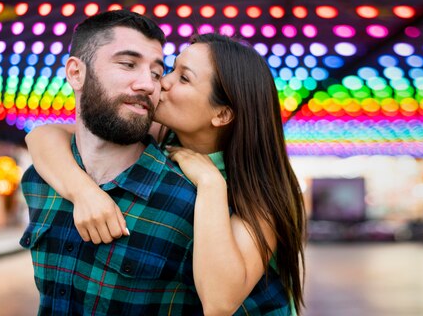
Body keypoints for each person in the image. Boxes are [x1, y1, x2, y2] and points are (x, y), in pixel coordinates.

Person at [26, 32, 307, 315]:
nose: (163, 82)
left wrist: (210, 184)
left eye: (184, 78)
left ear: (222, 114)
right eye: (171, 69)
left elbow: (220, 301)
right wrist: (85, 193)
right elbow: (42, 136)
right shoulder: (164, 133)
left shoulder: (263, 193)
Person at [19, 10, 205, 314]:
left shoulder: (191, 203)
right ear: (76, 73)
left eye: (157, 73)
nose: (148, 84)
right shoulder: (38, 180)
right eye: (128, 64)